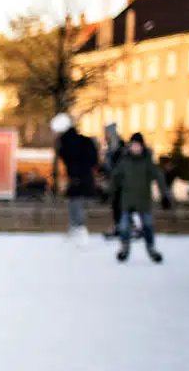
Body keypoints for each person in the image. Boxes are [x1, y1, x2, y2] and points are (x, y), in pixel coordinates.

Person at [110, 132, 172, 264]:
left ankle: (151, 249)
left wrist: (164, 196)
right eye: (133, 145)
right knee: (124, 226)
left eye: (137, 145)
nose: (135, 148)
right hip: (127, 200)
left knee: (148, 226)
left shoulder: (147, 162)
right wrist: (111, 193)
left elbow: (159, 178)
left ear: (142, 146)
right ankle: (124, 248)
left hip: (143, 200)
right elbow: (115, 177)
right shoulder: (125, 161)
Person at [51, 113, 99, 241]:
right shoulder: (80, 141)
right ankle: (76, 228)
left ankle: (80, 230)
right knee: (74, 203)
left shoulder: (68, 142)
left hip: (78, 176)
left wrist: (76, 174)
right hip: (80, 176)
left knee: (76, 203)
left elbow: (69, 158)